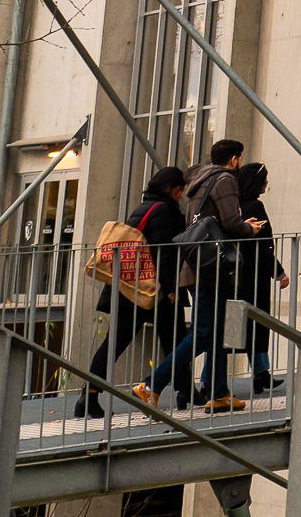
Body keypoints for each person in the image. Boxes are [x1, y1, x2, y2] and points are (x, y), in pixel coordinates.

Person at [139, 139, 265, 413]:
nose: (240, 164)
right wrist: (250, 229)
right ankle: (151, 385)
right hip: (213, 268)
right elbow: (231, 222)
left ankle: (219, 393)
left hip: (197, 265)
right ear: (234, 159)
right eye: (240, 158)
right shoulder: (225, 180)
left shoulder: (198, 180)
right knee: (204, 332)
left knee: (216, 330)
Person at [79, 166, 186, 417]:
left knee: (117, 342)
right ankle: (184, 391)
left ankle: (89, 396)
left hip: (130, 288)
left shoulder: (144, 207)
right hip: (152, 289)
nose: (182, 195)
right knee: (176, 341)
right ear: (170, 189)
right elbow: (164, 252)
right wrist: (171, 288)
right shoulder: (165, 211)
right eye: (181, 190)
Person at [232, 163, 292, 394]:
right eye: (264, 180)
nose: (267, 185)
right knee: (254, 322)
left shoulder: (234, 205)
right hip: (253, 275)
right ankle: (259, 373)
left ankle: (261, 372)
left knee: (238, 325)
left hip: (235, 272)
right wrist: (278, 271)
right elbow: (262, 245)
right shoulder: (255, 206)